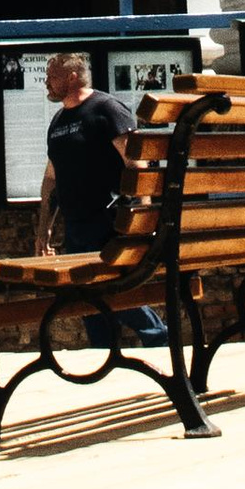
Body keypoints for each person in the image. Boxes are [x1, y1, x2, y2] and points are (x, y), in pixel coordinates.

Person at [36, 52, 167, 340]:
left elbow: (135, 163)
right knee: (88, 302)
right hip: (75, 227)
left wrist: (142, 217)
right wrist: (45, 228)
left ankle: (158, 337)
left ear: (72, 76)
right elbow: (51, 179)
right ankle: (104, 354)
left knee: (114, 293)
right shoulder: (58, 121)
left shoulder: (106, 108)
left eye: (52, 76)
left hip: (108, 222)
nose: (46, 82)